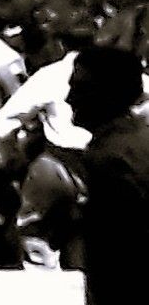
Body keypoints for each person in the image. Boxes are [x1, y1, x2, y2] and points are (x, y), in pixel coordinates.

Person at [65, 44, 149, 305]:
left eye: (80, 89)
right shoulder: (137, 140)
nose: (69, 99)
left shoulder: (110, 160)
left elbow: (116, 257)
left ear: (107, 95)